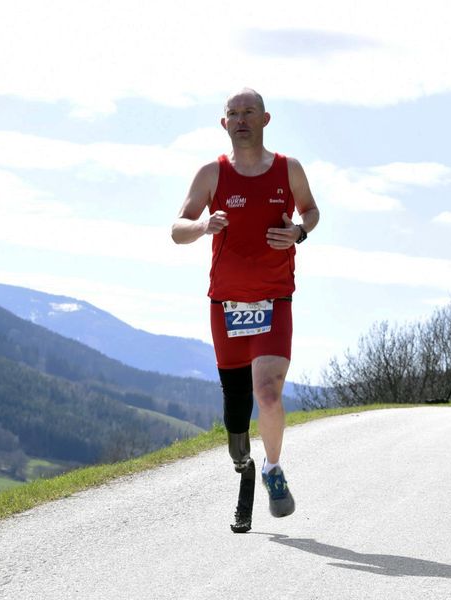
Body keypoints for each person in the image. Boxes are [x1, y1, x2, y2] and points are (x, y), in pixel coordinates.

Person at [171, 88, 320, 533]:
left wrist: (299, 232)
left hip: (275, 298)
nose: (240, 119)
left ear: (264, 119)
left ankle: (273, 469)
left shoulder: (288, 169)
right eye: (232, 113)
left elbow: (311, 212)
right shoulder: (211, 173)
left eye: (248, 112)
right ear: (224, 123)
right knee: (237, 412)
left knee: (269, 393)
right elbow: (177, 229)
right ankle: (244, 463)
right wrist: (203, 225)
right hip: (227, 305)